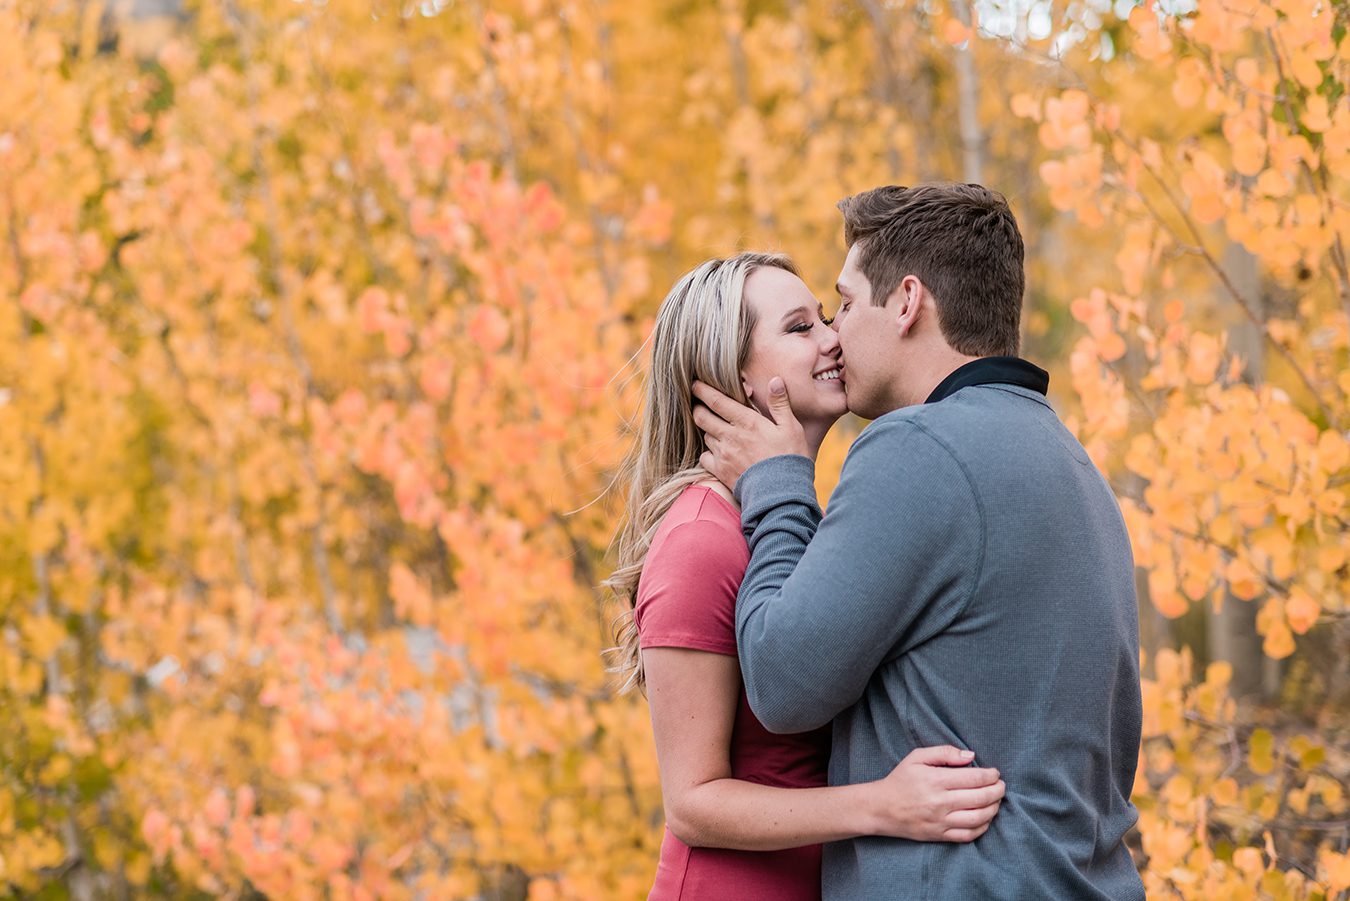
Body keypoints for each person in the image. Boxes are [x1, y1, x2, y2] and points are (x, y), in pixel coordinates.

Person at [692, 185, 1145, 900]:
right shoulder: (1072, 463)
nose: (835, 334)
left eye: (843, 303)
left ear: (906, 302)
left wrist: (779, 484)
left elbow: (780, 681)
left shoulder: (919, 447)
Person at [608, 251, 1007, 900]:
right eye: (800, 328)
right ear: (734, 377)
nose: (832, 337)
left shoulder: (789, 520)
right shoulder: (699, 538)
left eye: (826, 316)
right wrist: (885, 804)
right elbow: (692, 802)